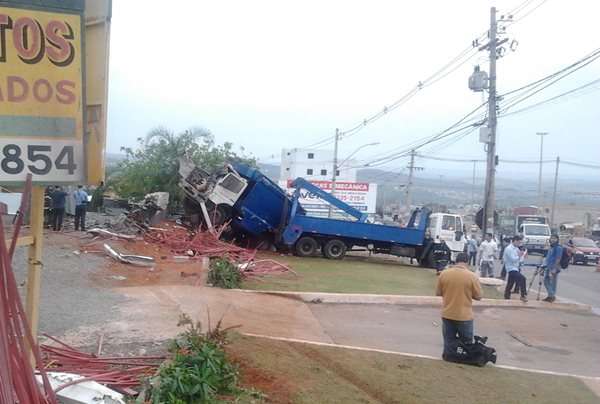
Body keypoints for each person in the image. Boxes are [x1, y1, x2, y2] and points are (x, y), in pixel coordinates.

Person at [435, 252, 482, 360]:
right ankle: (463, 360)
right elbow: (479, 296)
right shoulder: (472, 276)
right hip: (464, 315)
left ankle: (448, 358)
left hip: (447, 313)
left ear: (456, 261)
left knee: (448, 342)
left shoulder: (444, 274)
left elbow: (438, 292)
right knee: (467, 344)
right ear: (467, 262)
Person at [503, 235, 528, 302]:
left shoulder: (516, 249)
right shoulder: (508, 249)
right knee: (522, 278)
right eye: (519, 242)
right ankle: (523, 295)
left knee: (510, 283)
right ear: (515, 241)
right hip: (510, 268)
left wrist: (523, 256)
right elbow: (513, 259)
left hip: (516, 268)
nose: (519, 244)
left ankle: (506, 296)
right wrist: (520, 255)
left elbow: (519, 260)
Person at [542, 234, 563, 303]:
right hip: (548, 266)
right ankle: (551, 295)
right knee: (546, 281)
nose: (553, 239)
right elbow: (548, 257)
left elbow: (558, 258)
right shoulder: (551, 247)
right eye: (552, 238)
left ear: (557, 239)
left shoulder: (558, 248)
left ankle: (551, 296)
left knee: (553, 282)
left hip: (554, 267)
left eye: (554, 238)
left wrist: (554, 268)